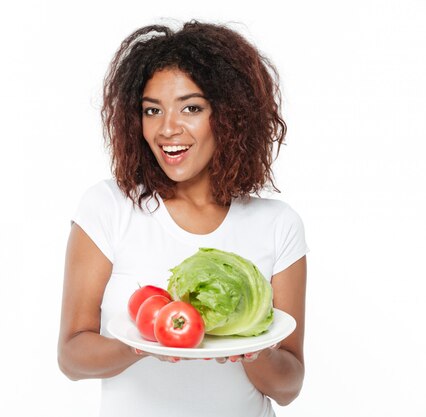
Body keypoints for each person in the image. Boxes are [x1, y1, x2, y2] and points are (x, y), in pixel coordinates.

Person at [57, 20, 308, 417]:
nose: (168, 128)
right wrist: (144, 343)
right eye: (152, 110)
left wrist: (245, 348)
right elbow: (72, 357)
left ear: (229, 115)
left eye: (191, 107)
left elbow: (289, 385)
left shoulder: (278, 224)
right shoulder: (108, 207)